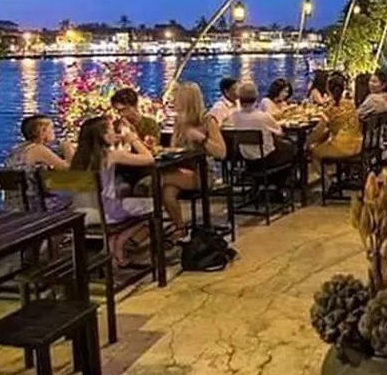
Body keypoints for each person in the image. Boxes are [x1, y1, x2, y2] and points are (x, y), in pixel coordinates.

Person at [69, 116, 155, 267]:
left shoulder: (78, 157)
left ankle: (112, 249)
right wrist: (133, 139)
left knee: (122, 198)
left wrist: (123, 143)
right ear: (102, 135)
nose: (114, 132)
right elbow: (149, 159)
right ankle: (119, 243)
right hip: (105, 213)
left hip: (79, 211)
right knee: (153, 205)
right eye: (110, 130)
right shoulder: (110, 155)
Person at [167, 81, 228, 240]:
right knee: (167, 193)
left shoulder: (207, 121)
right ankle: (180, 228)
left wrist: (201, 138)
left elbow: (221, 153)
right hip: (182, 169)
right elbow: (174, 148)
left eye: (177, 99)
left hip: (203, 172)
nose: (174, 103)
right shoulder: (178, 122)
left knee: (159, 179)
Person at [226, 82, 295, 170]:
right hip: (267, 160)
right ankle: (287, 176)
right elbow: (280, 132)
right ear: (256, 97)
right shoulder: (263, 116)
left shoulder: (235, 116)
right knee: (292, 148)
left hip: (247, 160)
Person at [308, 73, 362, 162]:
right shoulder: (351, 104)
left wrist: (307, 143)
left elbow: (318, 131)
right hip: (358, 144)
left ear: (328, 89)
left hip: (341, 147)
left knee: (313, 151)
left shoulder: (330, 110)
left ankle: (322, 171)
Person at [4, 114, 72, 170]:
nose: (54, 131)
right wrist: (67, 146)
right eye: (51, 128)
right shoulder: (37, 149)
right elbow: (69, 168)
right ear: (42, 131)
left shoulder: (21, 148)